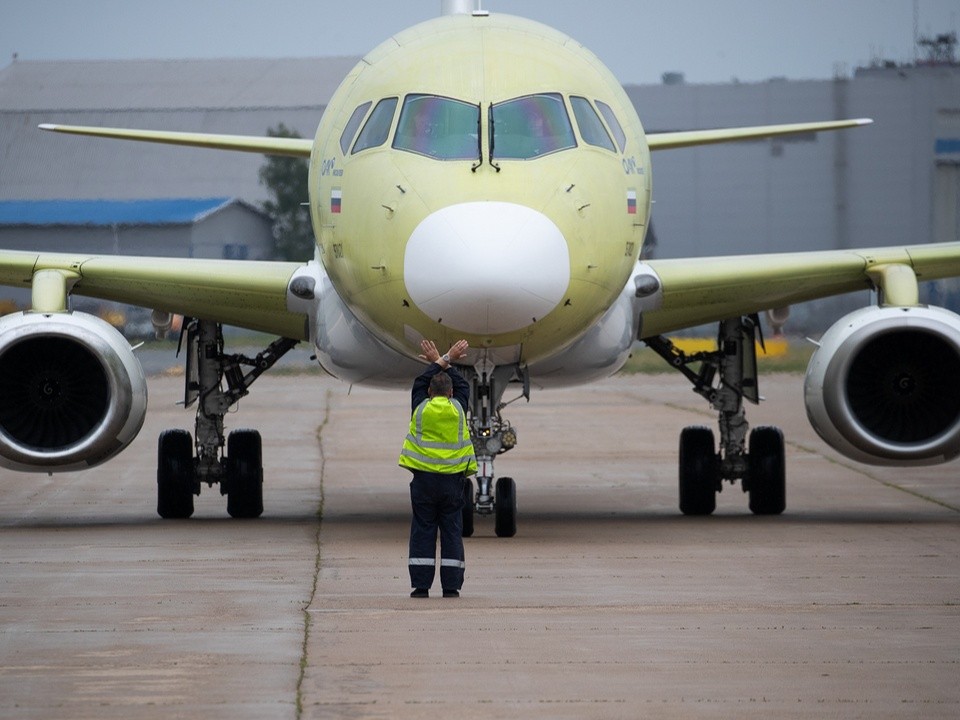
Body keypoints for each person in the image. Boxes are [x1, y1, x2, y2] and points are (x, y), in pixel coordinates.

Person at [398, 339, 477, 598]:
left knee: (423, 530)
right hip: (453, 483)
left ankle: (421, 587)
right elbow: (464, 384)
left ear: (429, 393)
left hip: (424, 482)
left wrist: (439, 360)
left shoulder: (420, 408)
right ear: (452, 393)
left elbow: (420, 381)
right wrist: (449, 360)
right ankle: (451, 587)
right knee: (452, 531)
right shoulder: (458, 408)